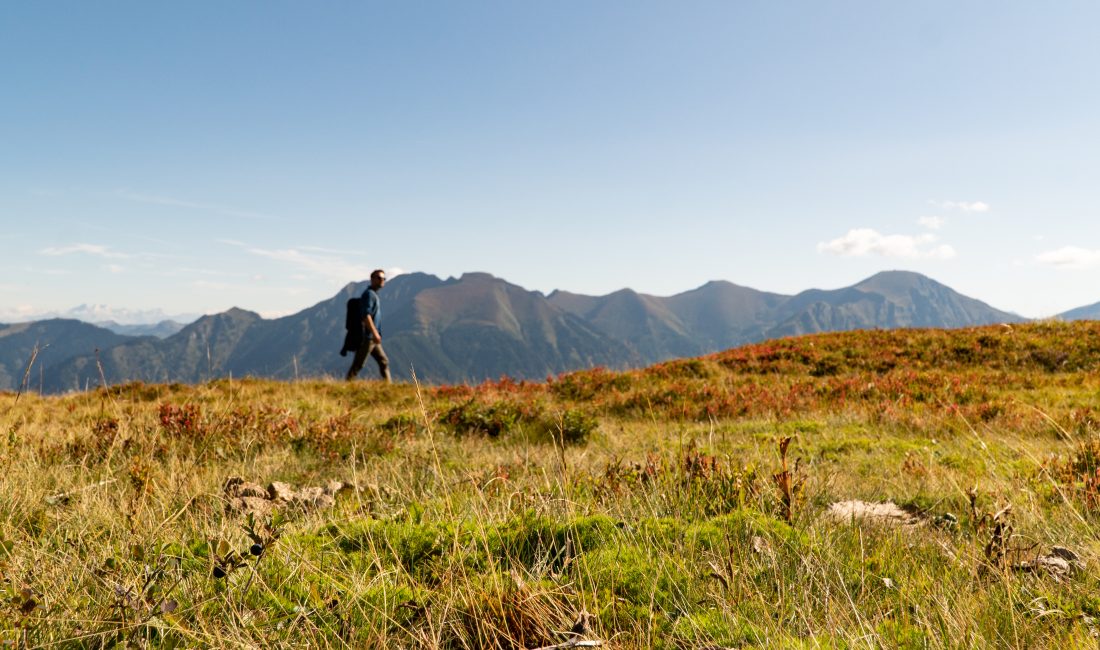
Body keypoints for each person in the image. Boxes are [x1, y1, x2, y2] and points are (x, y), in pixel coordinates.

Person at [346, 269, 391, 382]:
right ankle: (347, 384)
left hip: (372, 338)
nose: (382, 280)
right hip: (367, 337)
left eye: (383, 278)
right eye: (379, 278)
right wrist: (375, 333)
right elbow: (366, 315)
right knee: (358, 364)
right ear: (372, 279)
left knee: (383, 361)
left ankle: (389, 386)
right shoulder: (369, 295)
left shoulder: (373, 294)